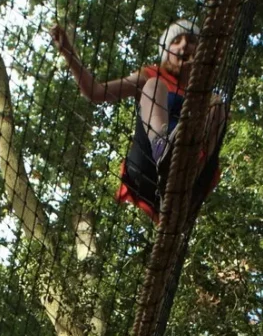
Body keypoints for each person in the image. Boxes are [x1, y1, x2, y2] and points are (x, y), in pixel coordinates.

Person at [50, 18, 227, 223]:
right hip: (150, 168)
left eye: (191, 40)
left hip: (190, 180)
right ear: (165, 52)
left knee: (219, 107)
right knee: (153, 85)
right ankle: (163, 149)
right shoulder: (152, 74)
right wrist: (68, 52)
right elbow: (95, 92)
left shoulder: (205, 95)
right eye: (176, 41)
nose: (184, 45)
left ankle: (189, 172)